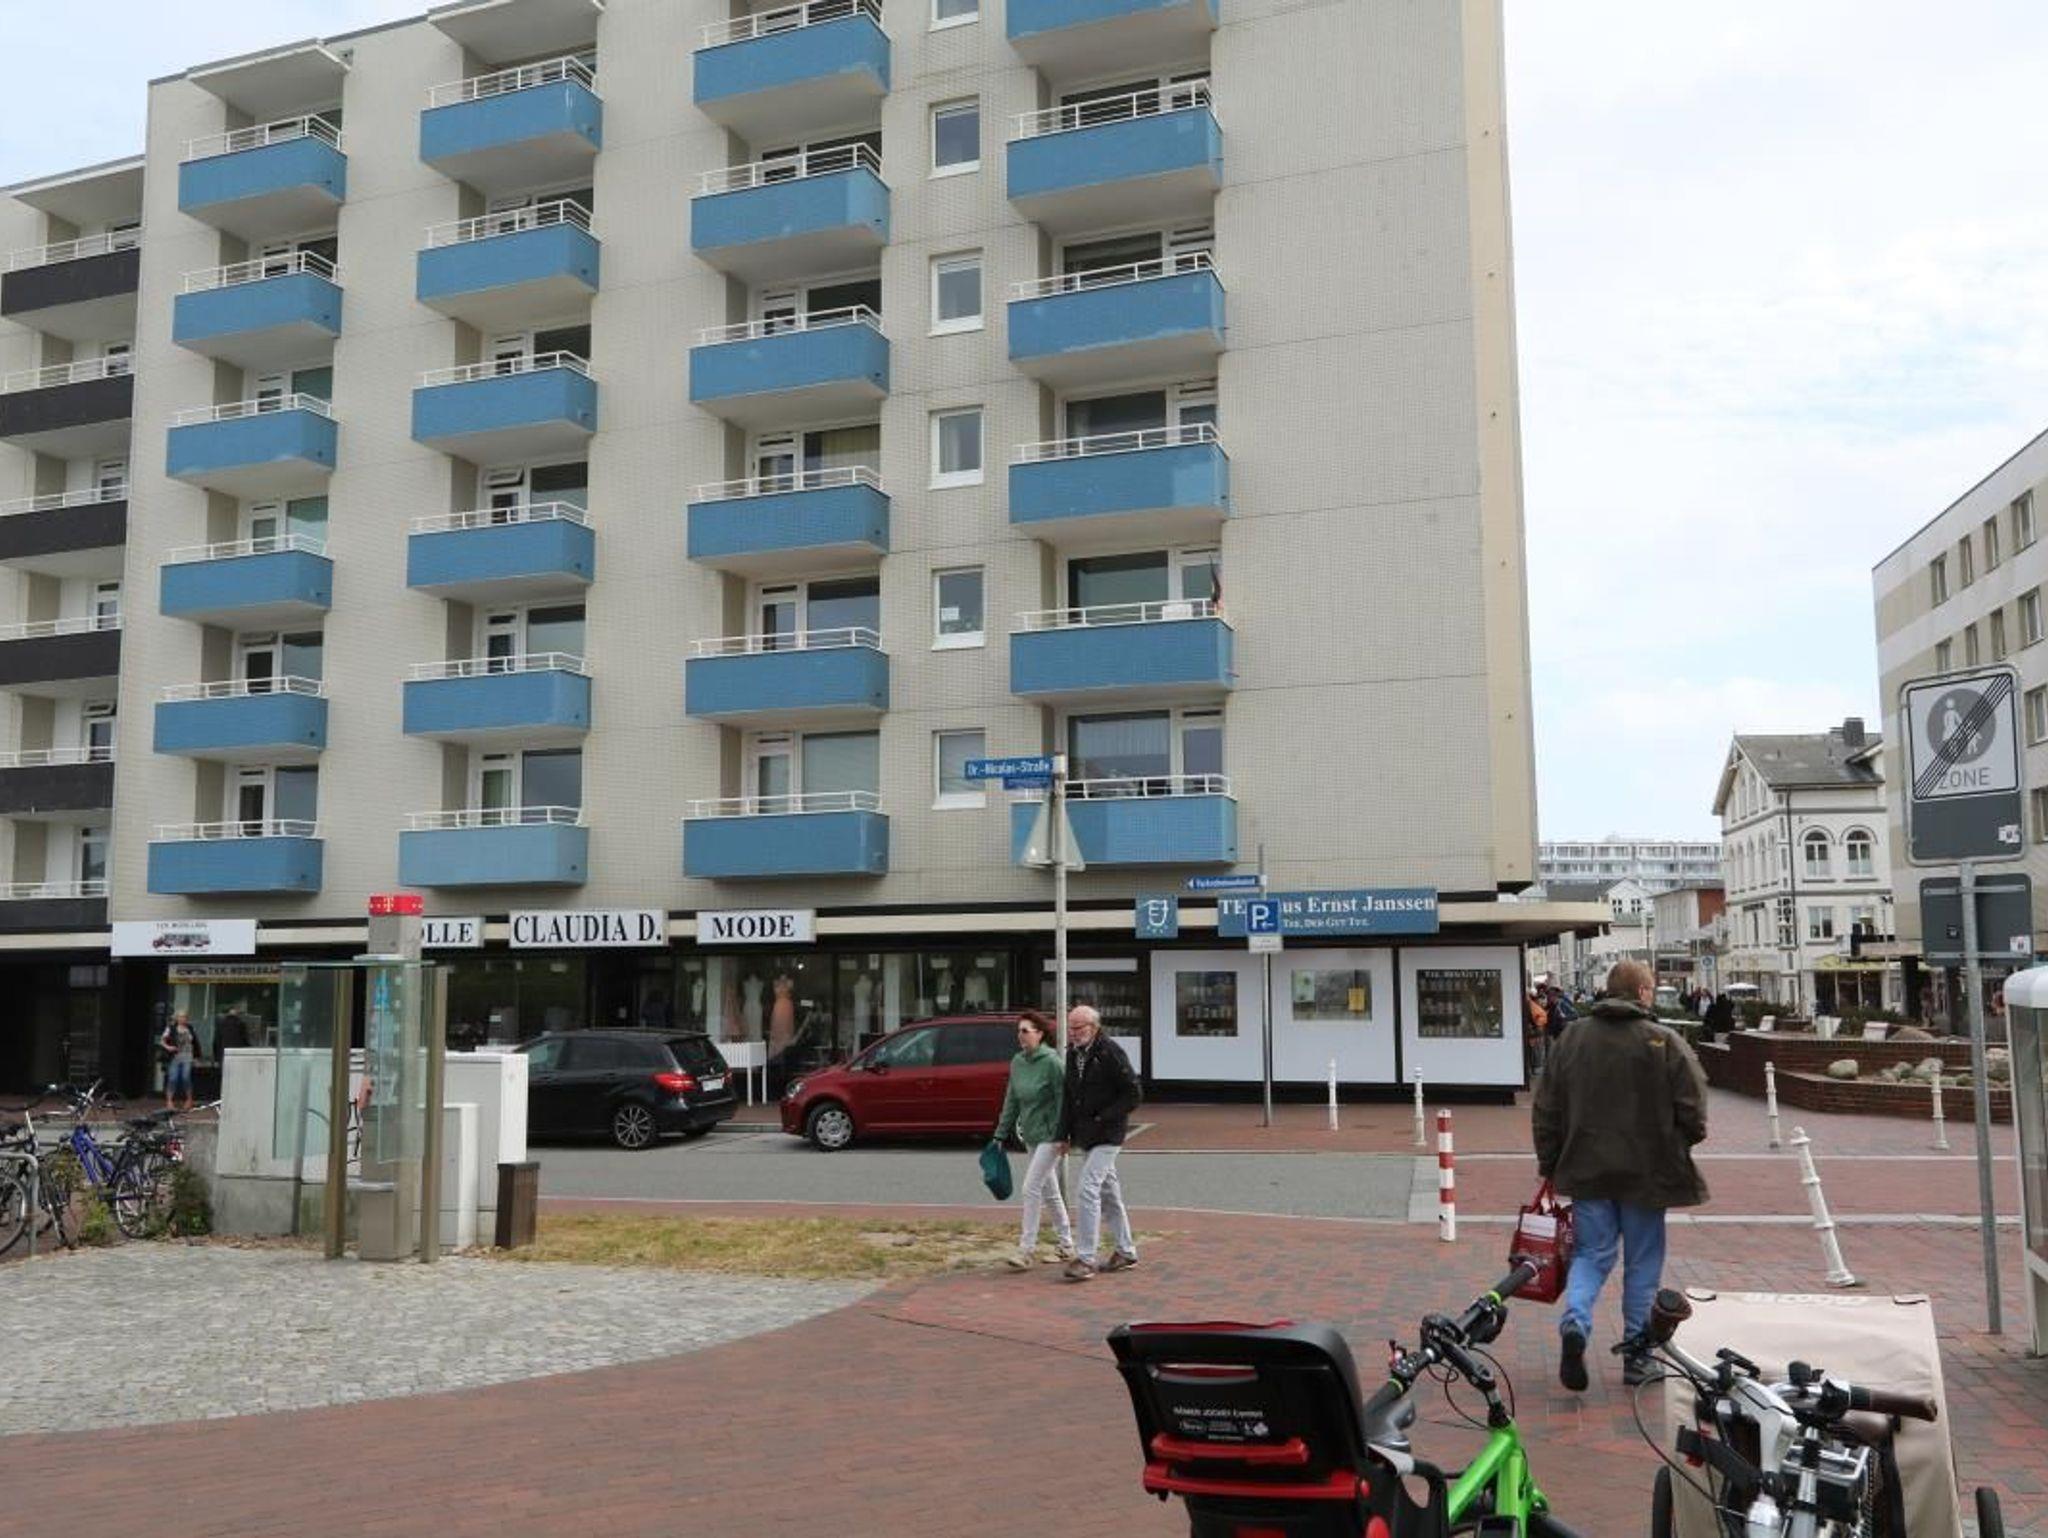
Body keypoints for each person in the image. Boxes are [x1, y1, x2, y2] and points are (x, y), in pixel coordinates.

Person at [1532, 958, 1709, 1391]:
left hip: (1587, 1168)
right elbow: (1693, 1108)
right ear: (1644, 992)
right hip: (1647, 1173)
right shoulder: (1662, 1041)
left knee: (1592, 1254)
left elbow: (1546, 1108)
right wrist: (1678, 1143)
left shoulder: (1572, 1038)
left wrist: (1551, 1162)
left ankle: (1575, 1322)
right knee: (1643, 1262)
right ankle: (1636, 1355)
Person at [1057, 1004, 1142, 1281]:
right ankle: (1126, 1251)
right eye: (1070, 1027)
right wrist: (1063, 1134)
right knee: (1109, 1194)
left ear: (1094, 1027)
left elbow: (1133, 1093)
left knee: (1087, 1189)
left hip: (1108, 1134)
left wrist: (1103, 1117)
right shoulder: (1073, 1054)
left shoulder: (1110, 1052)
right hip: (1087, 1135)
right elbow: (1069, 1097)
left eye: (1078, 1027)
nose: (1073, 1032)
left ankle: (1086, 1258)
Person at [992, 1011, 1074, 1271]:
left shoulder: (1052, 1062)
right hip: (1031, 1133)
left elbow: (1064, 1100)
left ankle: (1026, 1250)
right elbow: (1012, 1100)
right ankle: (1066, 1244)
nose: (1021, 1035)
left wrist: (1064, 1134)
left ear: (1040, 1034)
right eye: (1018, 1031)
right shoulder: (1018, 1062)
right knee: (1050, 1191)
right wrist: (1000, 1133)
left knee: (1030, 1188)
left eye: (1025, 1031)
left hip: (1051, 1135)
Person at [161, 1009, 198, 1112]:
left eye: (185, 1017)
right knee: (173, 1078)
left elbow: (195, 1042)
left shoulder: (190, 1028)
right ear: (177, 1018)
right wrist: (168, 1047)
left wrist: (196, 1056)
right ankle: (169, 1101)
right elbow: (162, 1041)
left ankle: (189, 1099)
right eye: (181, 1017)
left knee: (186, 1077)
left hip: (187, 1056)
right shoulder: (171, 1028)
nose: (183, 1019)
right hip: (175, 1056)